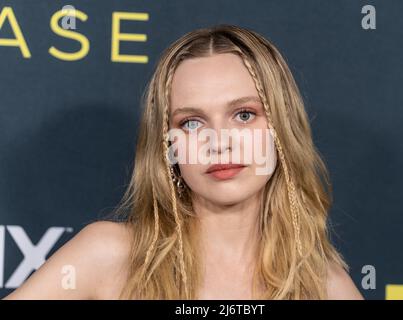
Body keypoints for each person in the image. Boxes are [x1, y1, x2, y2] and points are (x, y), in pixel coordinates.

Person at [4, 24, 363, 300]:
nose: (218, 142)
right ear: (168, 144)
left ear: (281, 128)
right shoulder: (111, 255)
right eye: (191, 123)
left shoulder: (324, 285)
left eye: (243, 114)